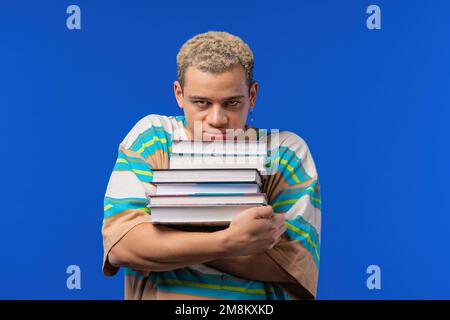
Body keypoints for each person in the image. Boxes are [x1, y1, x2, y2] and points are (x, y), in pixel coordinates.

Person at [101, 31, 321, 300]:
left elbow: (293, 266)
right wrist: (230, 240)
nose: (217, 119)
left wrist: (168, 225)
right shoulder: (153, 137)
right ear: (179, 94)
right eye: (201, 102)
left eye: (232, 103)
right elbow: (122, 246)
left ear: (252, 95)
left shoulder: (286, 152)